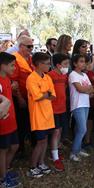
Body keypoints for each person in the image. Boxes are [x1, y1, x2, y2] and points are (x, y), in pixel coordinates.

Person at [26, 52, 56, 178]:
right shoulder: (31, 78)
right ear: (39, 64)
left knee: (45, 141)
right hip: (38, 116)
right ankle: (33, 167)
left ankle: (41, 163)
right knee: (40, 141)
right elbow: (37, 97)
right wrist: (46, 94)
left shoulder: (47, 77)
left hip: (48, 116)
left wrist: (45, 94)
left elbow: (53, 95)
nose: (50, 66)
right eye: (48, 63)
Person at [10, 35, 34, 156]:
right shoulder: (15, 59)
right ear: (21, 46)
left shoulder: (30, 59)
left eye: (32, 46)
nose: (31, 48)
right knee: (21, 124)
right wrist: (19, 98)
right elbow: (14, 82)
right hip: (20, 98)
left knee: (27, 123)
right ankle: (19, 150)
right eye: (29, 46)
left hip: (31, 97)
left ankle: (26, 146)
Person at [0, 52, 20, 187]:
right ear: (2, 66)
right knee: (3, 150)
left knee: (14, 146)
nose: (14, 68)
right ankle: (2, 179)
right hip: (3, 123)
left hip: (11, 121)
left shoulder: (7, 78)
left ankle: (5, 170)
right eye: (12, 65)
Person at [47, 53, 70, 171]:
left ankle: (55, 151)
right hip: (53, 109)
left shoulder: (64, 76)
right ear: (58, 65)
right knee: (56, 132)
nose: (68, 66)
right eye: (65, 64)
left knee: (59, 130)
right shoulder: (50, 76)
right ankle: (55, 157)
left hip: (62, 108)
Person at [69, 54, 93, 162]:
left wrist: (86, 89)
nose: (84, 64)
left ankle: (78, 149)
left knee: (80, 129)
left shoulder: (84, 75)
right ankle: (74, 152)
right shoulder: (73, 74)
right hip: (77, 104)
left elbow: (91, 88)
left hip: (85, 103)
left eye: (84, 62)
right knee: (83, 128)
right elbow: (80, 89)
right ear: (75, 63)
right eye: (81, 61)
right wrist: (86, 89)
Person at [84, 56, 94, 148]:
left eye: (88, 63)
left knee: (90, 121)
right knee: (81, 122)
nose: (87, 65)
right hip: (82, 103)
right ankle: (81, 140)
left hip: (92, 102)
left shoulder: (92, 73)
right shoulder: (77, 74)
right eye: (85, 62)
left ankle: (88, 140)